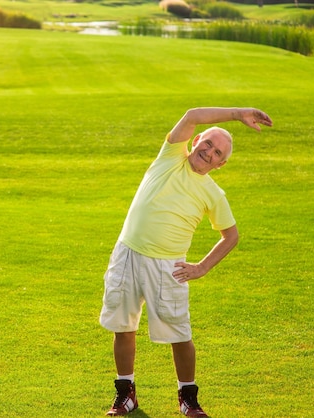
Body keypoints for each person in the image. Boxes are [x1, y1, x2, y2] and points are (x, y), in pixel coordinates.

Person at [100, 107, 272, 417]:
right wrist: (237, 114)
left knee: (179, 335)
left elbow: (230, 236)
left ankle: (188, 398)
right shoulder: (169, 157)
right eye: (207, 143)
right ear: (195, 141)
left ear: (221, 164)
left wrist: (202, 267)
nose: (209, 152)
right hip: (127, 254)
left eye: (217, 152)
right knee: (122, 327)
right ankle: (126, 395)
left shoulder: (213, 194)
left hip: (168, 268)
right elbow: (192, 114)